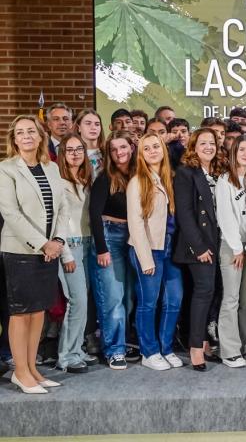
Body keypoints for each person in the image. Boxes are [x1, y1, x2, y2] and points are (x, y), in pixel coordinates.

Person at [0, 115, 69, 393]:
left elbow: (63, 208)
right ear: (14, 139)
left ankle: (31, 368)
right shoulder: (6, 169)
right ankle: (20, 371)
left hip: (49, 251)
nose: (27, 135)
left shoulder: (51, 167)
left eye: (31, 131)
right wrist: (43, 243)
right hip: (20, 250)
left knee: (39, 310)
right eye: (21, 132)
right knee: (21, 313)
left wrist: (59, 240)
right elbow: (10, 213)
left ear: (40, 136)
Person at [127, 132, 183, 371]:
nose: (152, 151)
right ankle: (149, 352)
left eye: (156, 146)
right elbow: (135, 222)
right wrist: (145, 258)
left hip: (169, 247)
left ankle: (166, 348)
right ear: (141, 154)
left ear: (163, 149)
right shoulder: (138, 181)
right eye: (146, 148)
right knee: (148, 303)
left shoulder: (169, 178)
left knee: (174, 299)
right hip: (148, 249)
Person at [173, 128, 223, 371]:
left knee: (210, 293)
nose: (208, 147)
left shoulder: (216, 171)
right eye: (203, 143)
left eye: (212, 143)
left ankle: (203, 341)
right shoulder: (185, 172)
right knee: (203, 292)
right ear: (193, 146)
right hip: (199, 245)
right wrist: (199, 246)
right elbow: (185, 214)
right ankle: (194, 348)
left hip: (218, 241)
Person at [88, 130, 136, 370]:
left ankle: (119, 342)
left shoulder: (140, 175)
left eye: (123, 147)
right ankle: (114, 350)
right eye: (114, 149)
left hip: (134, 238)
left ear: (131, 148)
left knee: (127, 298)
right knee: (113, 298)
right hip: (109, 237)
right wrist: (101, 249)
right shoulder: (105, 177)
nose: (120, 153)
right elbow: (94, 215)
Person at [216, 135, 246, 368]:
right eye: (241, 149)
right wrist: (236, 248)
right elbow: (225, 216)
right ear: (234, 153)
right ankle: (230, 350)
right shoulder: (225, 180)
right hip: (232, 247)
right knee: (231, 299)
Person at [55, 134, 94, 374]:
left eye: (79, 149)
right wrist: (66, 254)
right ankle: (66, 356)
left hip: (88, 244)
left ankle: (77, 349)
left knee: (83, 301)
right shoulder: (58, 181)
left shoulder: (86, 179)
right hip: (70, 245)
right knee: (76, 301)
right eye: (70, 150)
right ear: (62, 154)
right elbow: (58, 222)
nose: (75, 153)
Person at [74, 109, 105, 180]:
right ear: (79, 127)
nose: (93, 127)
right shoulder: (73, 152)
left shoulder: (108, 151)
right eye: (88, 123)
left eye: (97, 124)